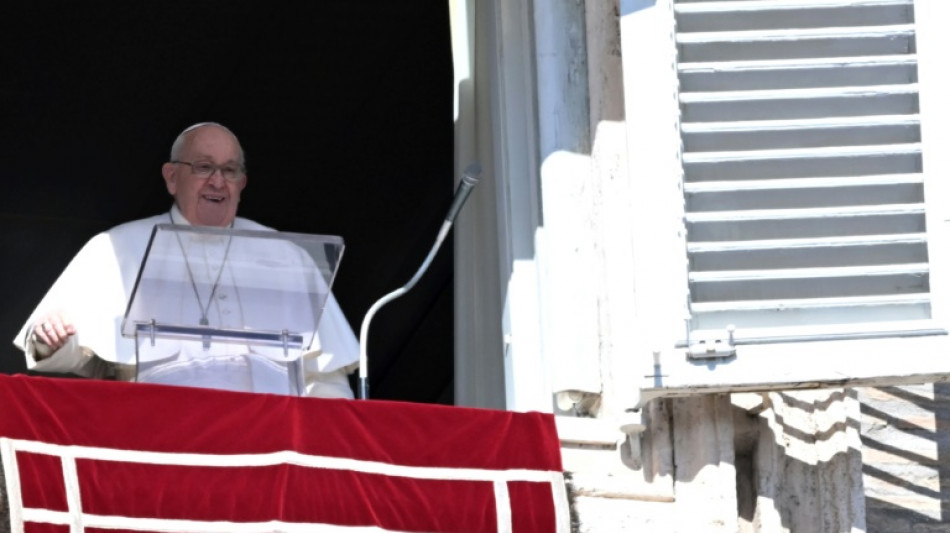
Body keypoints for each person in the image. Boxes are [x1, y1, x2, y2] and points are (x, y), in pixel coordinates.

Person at [12, 122, 358, 399]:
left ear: (243, 183)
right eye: (204, 167)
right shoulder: (116, 248)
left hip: (269, 447)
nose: (218, 181)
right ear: (171, 177)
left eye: (230, 170)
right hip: (161, 441)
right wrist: (51, 340)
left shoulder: (286, 256)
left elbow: (326, 377)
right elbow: (80, 354)